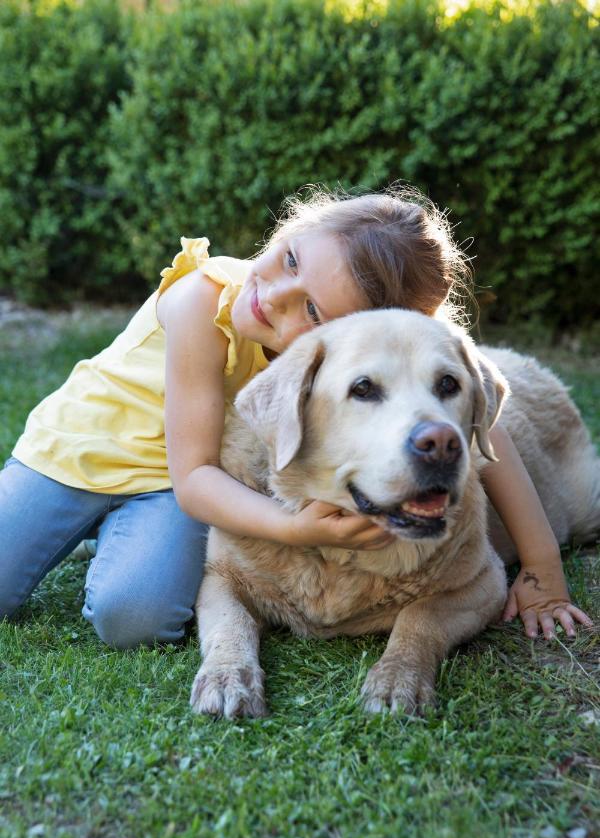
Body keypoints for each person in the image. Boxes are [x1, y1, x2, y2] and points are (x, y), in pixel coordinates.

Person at [0, 187, 592, 648]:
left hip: (176, 491)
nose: (273, 294)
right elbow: (196, 474)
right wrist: (295, 529)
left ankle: (118, 535)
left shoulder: (343, 358)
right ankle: (95, 525)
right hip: (84, 454)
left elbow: (491, 439)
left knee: (136, 618)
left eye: (310, 308)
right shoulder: (201, 300)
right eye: (289, 258)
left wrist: (542, 568)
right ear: (296, 224)